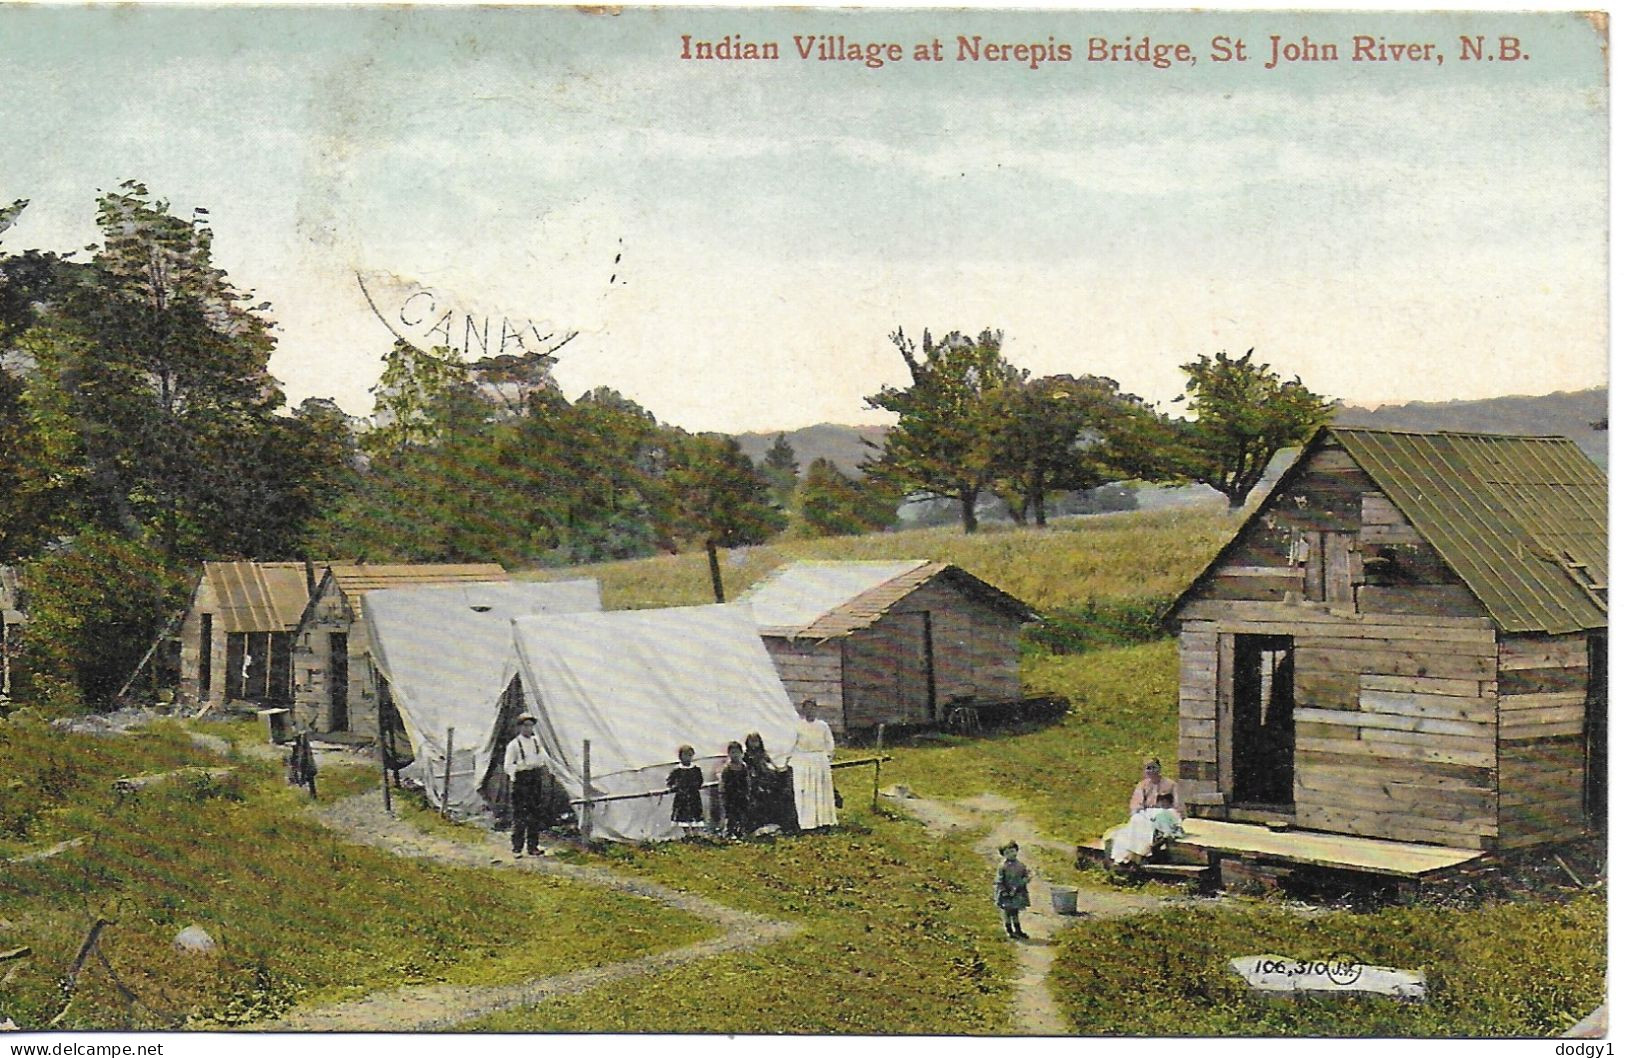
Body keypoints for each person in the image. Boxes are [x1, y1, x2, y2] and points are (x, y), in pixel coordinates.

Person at [1106, 757, 1185, 868]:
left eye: (1154, 768)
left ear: (1159, 768)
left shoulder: (1171, 784)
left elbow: (1178, 806)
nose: (1151, 771)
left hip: (1166, 814)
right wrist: (1139, 812)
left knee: (1159, 818)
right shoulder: (1142, 785)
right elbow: (1136, 804)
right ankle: (1131, 855)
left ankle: (1144, 851)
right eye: (1148, 768)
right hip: (1148, 814)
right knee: (1137, 821)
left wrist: (1173, 814)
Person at [786, 699, 838, 830]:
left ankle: (824, 820)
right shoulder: (797, 726)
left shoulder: (823, 726)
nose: (810, 711)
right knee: (805, 791)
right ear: (803, 710)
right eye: (807, 708)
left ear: (816, 710)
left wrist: (826, 755)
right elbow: (791, 744)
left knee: (821, 791)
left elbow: (829, 743)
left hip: (819, 761)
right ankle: (807, 822)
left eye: (813, 708)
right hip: (803, 761)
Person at [504, 714, 550, 858]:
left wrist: (540, 766)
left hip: (535, 778)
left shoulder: (536, 742)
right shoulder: (514, 745)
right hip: (521, 780)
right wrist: (516, 776)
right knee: (520, 815)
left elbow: (544, 758)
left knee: (534, 814)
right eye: (525, 725)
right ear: (519, 727)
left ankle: (533, 847)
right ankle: (517, 848)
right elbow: (508, 765)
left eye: (530, 725)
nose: (528, 728)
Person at [743, 731, 797, 833]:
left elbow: (771, 766)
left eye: (756, 741)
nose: (754, 744)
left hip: (767, 779)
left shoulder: (763, 754)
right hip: (757, 783)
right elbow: (751, 772)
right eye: (752, 741)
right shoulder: (747, 757)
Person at [667, 744, 706, 837]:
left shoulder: (696, 769)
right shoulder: (677, 770)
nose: (687, 758)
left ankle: (696, 833)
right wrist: (675, 787)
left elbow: (700, 780)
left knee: (695, 813)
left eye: (689, 755)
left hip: (694, 795)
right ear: (680, 757)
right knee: (683, 815)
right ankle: (687, 834)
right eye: (685, 755)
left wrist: (696, 786)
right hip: (682, 796)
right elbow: (670, 781)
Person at [995, 841, 1031, 939]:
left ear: (1016, 850)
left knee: (1015, 912)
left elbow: (1025, 875)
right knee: (1007, 912)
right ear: (1003, 855)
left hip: (1018, 892)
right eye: (1007, 853)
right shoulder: (1003, 866)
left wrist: (1026, 879)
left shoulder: (1020, 865)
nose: (1011, 854)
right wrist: (1005, 891)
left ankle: (1018, 930)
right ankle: (1009, 931)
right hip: (1006, 893)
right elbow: (999, 880)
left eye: (1012, 851)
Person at [717, 740, 750, 839]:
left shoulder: (743, 767)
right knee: (731, 815)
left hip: (741, 794)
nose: (735, 755)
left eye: (737, 752)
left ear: (741, 753)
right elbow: (723, 782)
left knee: (741, 814)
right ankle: (729, 832)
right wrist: (722, 794)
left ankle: (740, 831)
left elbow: (747, 780)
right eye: (732, 752)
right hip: (730, 795)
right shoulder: (727, 768)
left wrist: (747, 792)